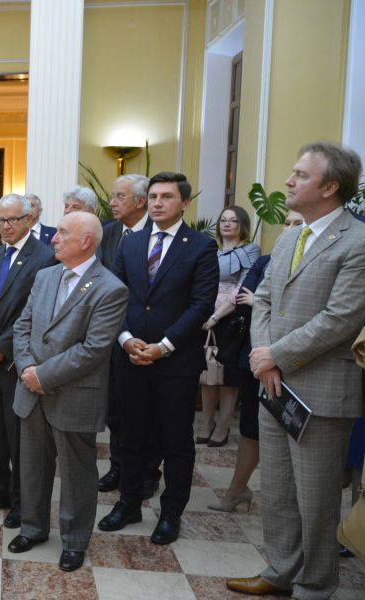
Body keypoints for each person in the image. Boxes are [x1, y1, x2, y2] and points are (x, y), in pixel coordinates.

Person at [227, 142, 365, 599]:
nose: (288, 181)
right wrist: (263, 355)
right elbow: (264, 299)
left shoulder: (358, 241)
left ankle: (316, 585)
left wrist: (276, 356)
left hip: (321, 392)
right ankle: (281, 570)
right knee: (279, 491)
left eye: (301, 175)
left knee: (316, 498)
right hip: (274, 384)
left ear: (330, 187)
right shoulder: (289, 236)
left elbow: (341, 318)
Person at [98, 171, 218, 546]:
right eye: (152, 196)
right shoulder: (131, 243)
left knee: (175, 441)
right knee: (130, 436)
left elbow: (201, 305)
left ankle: (170, 514)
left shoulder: (200, 246)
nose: (157, 203)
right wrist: (125, 338)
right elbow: (114, 295)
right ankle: (129, 503)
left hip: (175, 362)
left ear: (185, 203)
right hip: (130, 356)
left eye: (167, 197)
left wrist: (163, 346)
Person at [8, 211, 128, 572]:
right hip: (31, 389)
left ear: (86, 241)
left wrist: (43, 376)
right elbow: (23, 325)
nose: (53, 238)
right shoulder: (45, 276)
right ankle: (33, 528)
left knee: (77, 474)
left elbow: (93, 349)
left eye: (62, 232)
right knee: (32, 465)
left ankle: (75, 541)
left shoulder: (110, 288)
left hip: (73, 395)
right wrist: (27, 368)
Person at [0, 193, 57, 528]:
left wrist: (1, 346)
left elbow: (34, 314)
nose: (5, 226)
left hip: (18, 360)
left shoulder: (45, 258)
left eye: (12, 220)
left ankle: (21, 500)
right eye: (0, 220)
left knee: (19, 433)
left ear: (29, 219)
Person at [209, 211, 303, 513]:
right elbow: (243, 299)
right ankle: (237, 490)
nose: (289, 229)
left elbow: (265, 302)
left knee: (296, 438)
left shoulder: (316, 263)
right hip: (256, 356)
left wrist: (262, 303)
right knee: (252, 428)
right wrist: (261, 303)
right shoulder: (265, 262)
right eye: (286, 223)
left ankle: (293, 505)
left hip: (299, 360)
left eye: (298, 224)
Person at [96, 173, 160, 495]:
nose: (112, 202)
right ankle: (118, 468)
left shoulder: (157, 235)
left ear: (140, 201)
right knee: (116, 409)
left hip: (146, 337)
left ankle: (147, 472)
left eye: (119, 196)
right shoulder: (108, 233)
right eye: (112, 196)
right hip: (110, 335)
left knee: (147, 412)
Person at [198, 205, 260, 447]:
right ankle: (206, 424)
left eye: (233, 220)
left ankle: (222, 427)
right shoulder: (209, 249)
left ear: (242, 225)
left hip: (232, 320)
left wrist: (216, 316)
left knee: (228, 377)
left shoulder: (250, 250)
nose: (226, 224)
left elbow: (242, 289)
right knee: (207, 374)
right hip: (205, 317)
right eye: (223, 220)